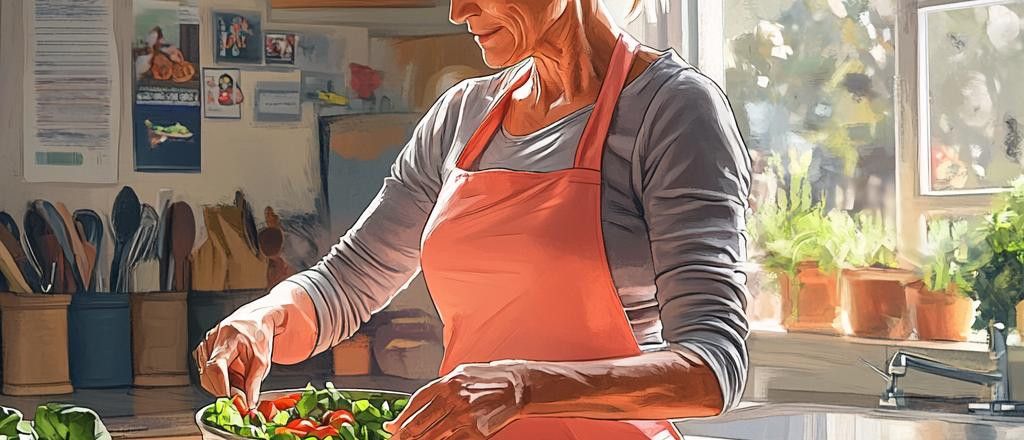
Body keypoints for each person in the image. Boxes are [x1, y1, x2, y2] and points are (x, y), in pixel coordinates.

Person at [194, 0, 752, 438]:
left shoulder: (674, 111)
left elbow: (712, 368)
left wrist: (521, 386)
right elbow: (351, 278)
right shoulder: (463, 116)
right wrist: (263, 320)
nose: (458, 10)